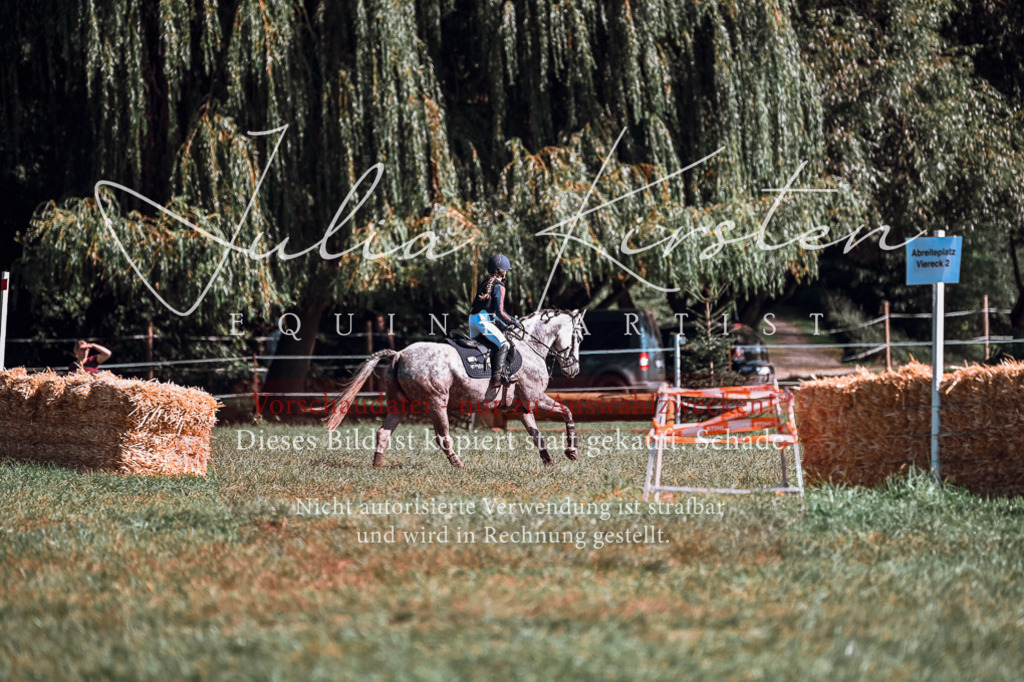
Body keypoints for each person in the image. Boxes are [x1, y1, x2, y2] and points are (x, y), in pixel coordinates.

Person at [469, 254, 523, 383]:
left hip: (472, 320)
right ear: (502, 271)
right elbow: (501, 312)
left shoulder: (485, 283)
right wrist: (515, 322)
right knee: (504, 344)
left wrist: (502, 325)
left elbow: (491, 313)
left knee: (490, 344)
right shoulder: (499, 286)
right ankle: (498, 376)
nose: (506, 273)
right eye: (506, 270)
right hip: (482, 321)